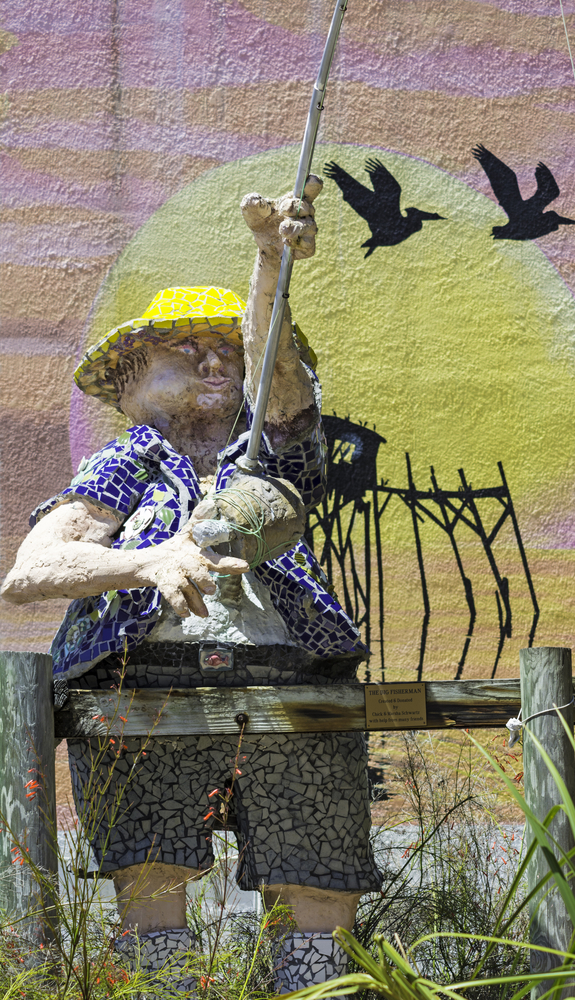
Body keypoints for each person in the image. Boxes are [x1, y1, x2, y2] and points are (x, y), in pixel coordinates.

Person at [1, 177, 381, 994]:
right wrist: (149, 561)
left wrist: (270, 262)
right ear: (135, 381)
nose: (215, 361)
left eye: (228, 349)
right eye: (186, 351)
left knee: (316, 876)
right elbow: (30, 571)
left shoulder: (275, 452)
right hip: (145, 683)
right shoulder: (127, 461)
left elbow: (282, 390)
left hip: (294, 683)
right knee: (151, 876)